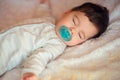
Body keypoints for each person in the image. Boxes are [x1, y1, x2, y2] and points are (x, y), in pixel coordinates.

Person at [0, 2, 109, 80]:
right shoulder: (49, 20)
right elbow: (42, 13)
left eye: (80, 35)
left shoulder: (56, 44)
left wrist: (31, 72)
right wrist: (44, 5)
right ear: (66, 13)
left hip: (5, 56)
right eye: (74, 21)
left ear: (80, 43)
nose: (73, 30)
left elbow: (40, 57)